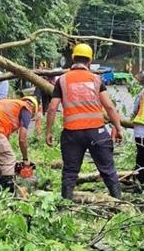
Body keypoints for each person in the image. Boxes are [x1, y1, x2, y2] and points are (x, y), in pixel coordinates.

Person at [45, 43, 124, 200]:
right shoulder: (95, 79)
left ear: (73, 59)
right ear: (90, 61)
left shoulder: (62, 80)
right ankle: (120, 203)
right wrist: (119, 128)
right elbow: (109, 106)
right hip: (97, 132)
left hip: (72, 133)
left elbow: (52, 108)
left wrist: (48, 132)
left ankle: (65, 208)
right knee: (108, 169)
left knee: (70, 171)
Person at [0, 96, 39, 191]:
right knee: (8, 159)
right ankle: (8, 191)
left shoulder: (12, 105)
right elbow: (22, 139)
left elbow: (4, 139)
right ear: (34, 108)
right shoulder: (27, 108)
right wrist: (25, 159)